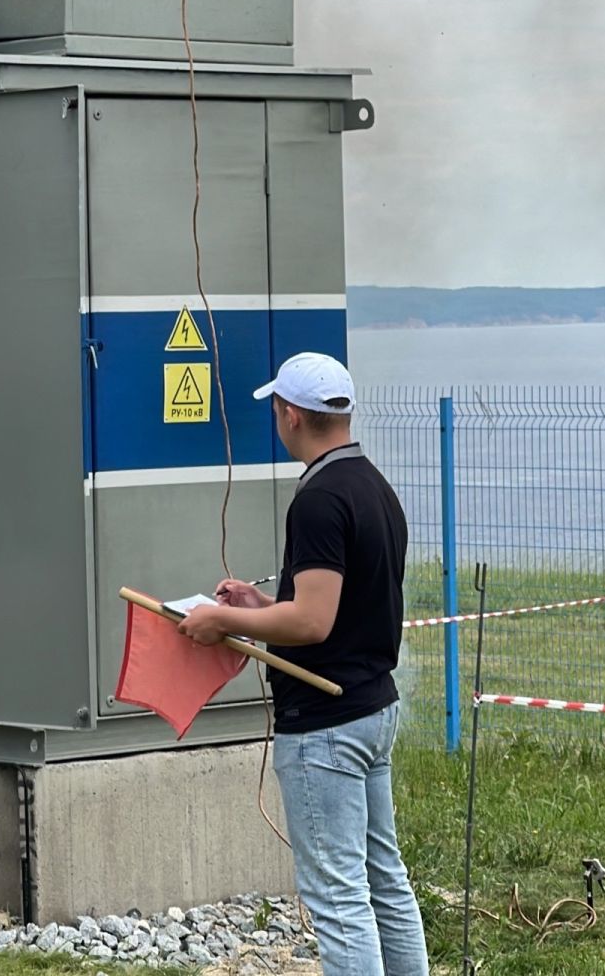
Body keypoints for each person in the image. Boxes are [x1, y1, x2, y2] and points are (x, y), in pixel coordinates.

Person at [176, 352, 429, 976]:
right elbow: (335, 610)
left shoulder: (318, 499)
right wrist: (265, 604)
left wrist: (224, 620)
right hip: (372, 706)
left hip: (325, 725)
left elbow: (312, 622)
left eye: (276, 410)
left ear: (291, 414)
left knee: (339, 897)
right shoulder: (372, 485)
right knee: (383, 877)